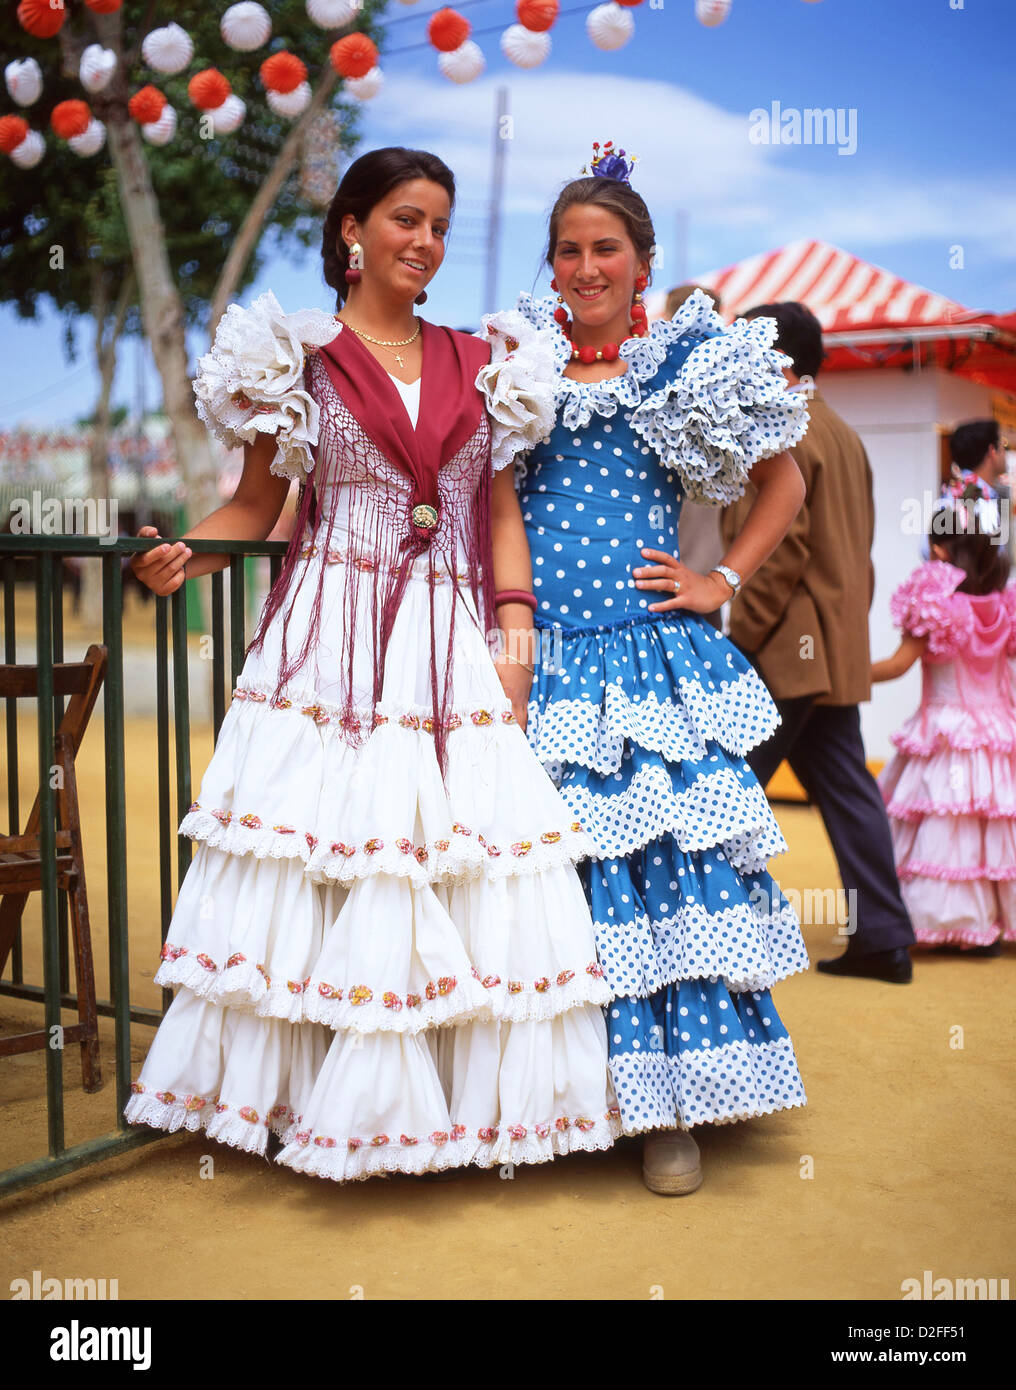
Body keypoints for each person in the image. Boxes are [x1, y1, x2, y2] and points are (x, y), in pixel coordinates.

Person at [122, 147, 620, 1182]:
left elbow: (497, 513)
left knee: (459, 861)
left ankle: (458, 1110)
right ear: (350, 229)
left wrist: (514, 640)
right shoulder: (292, 359)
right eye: (404, 218)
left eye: (438, 225)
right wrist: (186, 551)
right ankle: (291, 1102)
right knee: (321, 857)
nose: (425, 242)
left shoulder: (485, 359)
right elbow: (257, 507)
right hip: (327, 635)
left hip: (451, 638)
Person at [478, 143, 810, 1196]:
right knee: (544, 876)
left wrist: (725, 580)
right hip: (540, 658)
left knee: (660, 877)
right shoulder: (515, 371)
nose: (584, 267)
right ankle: (554, 1100)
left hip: (646, 657)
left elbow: (783, 480)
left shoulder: (682, 363)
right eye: (567, 250)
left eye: (604, 248)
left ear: (641, 258)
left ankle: (670, 1109)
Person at [720, 301, 917, 986]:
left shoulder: (785, 433)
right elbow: (853, 552)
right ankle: (884, 938)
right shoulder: (841, 431)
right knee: (847, 790)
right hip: (830, 649)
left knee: (724, 788)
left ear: (777, 362)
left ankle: (711, 935)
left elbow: (779, 556)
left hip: (782, 648)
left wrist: (737, 642)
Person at [872, 476, 1016, 954]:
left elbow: (896, 666)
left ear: (939, 548)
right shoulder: (1004, 606)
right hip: (998, 731)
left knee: (946, 826)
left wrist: (841, 674)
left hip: (945, 731)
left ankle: (951, 922)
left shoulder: (936, 605)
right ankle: (991, 926)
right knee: (990, 825)